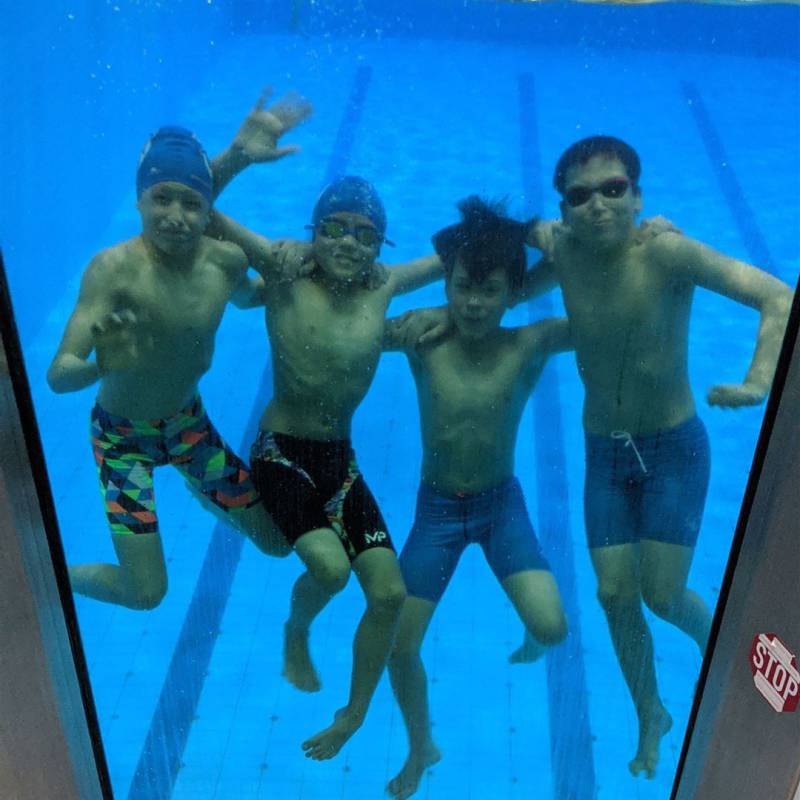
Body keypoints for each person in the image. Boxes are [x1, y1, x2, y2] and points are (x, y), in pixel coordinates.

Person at [517, 135, 794, 779]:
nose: (598, 204)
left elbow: (778, 297)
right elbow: (500, 252)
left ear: (638, 197)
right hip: (604, 454)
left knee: (663, 596)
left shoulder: (666, 252)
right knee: (614, 594)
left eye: (614, 189)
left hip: (673, 450)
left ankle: (718, 652)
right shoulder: (563, 249)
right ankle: (651, 712)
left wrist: (758, 381)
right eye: (580, 196)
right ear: (564, 209)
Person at [207, 144, 449, 758]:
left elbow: (461, 258)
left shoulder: (383, 285)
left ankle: (353, 715)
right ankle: (296, 631)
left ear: (379, 246)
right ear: (313, 230)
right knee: (330, 571)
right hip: (281, 452)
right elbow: (203, 209)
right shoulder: (283, 271)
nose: (349, 243)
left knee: (389, 595)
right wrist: (237, 157)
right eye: (335, 228)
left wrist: (540, 235)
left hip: (341, 465)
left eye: (366, 235)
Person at [46, 103, 310, 610]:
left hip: (188, 428)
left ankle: (196, 483)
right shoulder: (112, 270)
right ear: (139, 200)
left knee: (277, 543)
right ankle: (53, 570)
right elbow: (59, 375)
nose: (175, 216)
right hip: (121, 441)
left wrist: (304, 266)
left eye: (191, 203)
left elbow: (257, 295)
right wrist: (102, 365)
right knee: (145, 593)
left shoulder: (224, 262)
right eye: (160, 198)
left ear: (208, 210)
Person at [381, 196, 570, 800]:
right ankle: (421, 746)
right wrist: (434, 307)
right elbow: (353, 322)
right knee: (397, 647)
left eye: (490, 292)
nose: (474, 304)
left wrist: (539, 235)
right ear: (447, 284)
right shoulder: (422, 340)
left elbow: (599, 301)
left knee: (552, 628)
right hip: (437, 513)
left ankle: (530, 637)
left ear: (514, 293)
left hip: (499, 508)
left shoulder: (529, 343)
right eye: (463, 288)